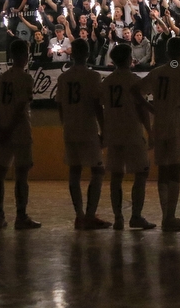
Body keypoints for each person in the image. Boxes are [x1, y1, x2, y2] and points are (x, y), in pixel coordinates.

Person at [133, 37, 180, 232]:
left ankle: (166, 214)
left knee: (163, 170)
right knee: (174, 170)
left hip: (159, 122)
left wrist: (152, 109)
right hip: (177, 122)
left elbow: (136, 92)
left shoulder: (157, 72)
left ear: (167, 53)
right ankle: (170, 216)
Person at [55, 39, 111, 230]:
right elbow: (97, 106)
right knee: (97, 171)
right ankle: (89, 213)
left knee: (75, 171)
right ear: (87, 54)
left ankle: (79, 215)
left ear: (72, 54)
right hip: (87, 129)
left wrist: (65, 125)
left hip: (70, 128)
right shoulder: (92, 76)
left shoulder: (63, 78)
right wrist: (104, 129)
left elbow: (60, 106)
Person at [0, 39, 41, 230]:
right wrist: (9, 128)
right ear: (25, 56)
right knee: (21, 175)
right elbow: (20, 108)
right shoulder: (26, 78)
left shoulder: (1, 79)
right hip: (20, 131)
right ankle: (21, 215)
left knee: (0, 173)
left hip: (3, 130)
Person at [103, 44, 156, 230]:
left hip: (113, 132)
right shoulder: (134, 80)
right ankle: (135, 216)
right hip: (132, 131)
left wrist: (104, 131)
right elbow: (141, 109)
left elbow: (103, 110)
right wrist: (149, 131)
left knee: (116, 176)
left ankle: (118, 217)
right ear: (128, 59)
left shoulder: (107, 82)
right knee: (141, 173)